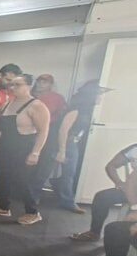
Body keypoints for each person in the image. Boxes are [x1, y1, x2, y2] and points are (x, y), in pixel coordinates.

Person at [34, 80, 110, 215]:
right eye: (99, 94)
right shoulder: (76, 109)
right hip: (59, 142)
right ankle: (33, 198)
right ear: (91, 95)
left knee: (69, 173)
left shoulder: (89, 110)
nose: (101, 98)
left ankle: (67, 201)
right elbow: (63, 130)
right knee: (43, 172)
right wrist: (62, 150)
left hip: (72, 143)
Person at [0, 74, 50, 225]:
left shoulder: (37, 106)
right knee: (3, 176)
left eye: (17, 85)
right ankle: (4, 207)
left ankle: (33, 211)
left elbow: (43, 131)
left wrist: (35, 152)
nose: (13, 88)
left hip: (24, 147)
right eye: (11, 85)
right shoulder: (8, 104)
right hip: (5, 145)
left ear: (29, 86)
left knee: (22, 180)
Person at [70, 143, 137, 241]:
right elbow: (110, 166)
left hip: (132, 188)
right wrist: (119, 182)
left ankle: (124, 240)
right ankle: (94, 233)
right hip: (132, 189)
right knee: (101, 197)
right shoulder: (134, 148)